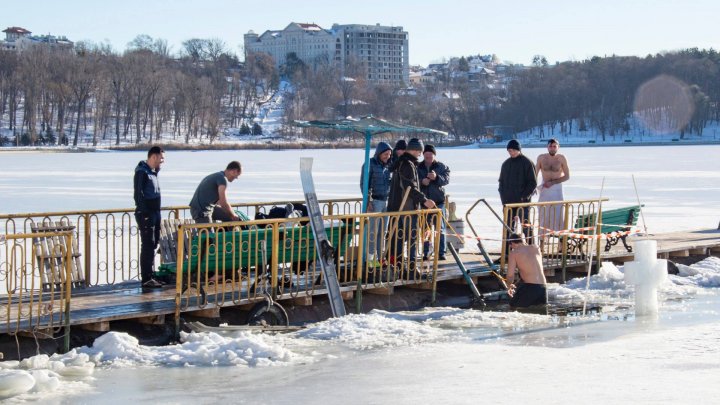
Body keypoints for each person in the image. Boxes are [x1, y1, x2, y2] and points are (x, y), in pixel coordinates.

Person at [386, 138, 436, 266]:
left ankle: (399, 265)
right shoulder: (407, 164)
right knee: (411, 237)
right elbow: (409, 187)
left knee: (399, 237)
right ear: (414, 150)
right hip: (407, 207)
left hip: (397, 207)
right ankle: (412, 267)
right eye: (419, 151)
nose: (420, 154)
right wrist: (424, 200)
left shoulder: (402, 162)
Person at [133, 146, 165, 291]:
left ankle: (151, 275)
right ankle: (146, 278)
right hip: (146, 214)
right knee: (147, 244)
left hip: (155, 213)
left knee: (153, 243)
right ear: (153, 157)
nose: (162, 162)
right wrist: (145, 213)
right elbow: (138, 194)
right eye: (161, 158)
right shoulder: (142, 172)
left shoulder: (153, 172)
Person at [498, 139, 537, 252]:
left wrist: (523, 197)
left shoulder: (527, 162)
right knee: (508, 228)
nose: (512, 152)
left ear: (519, 149)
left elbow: (532, 183)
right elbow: (501, 183)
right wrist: (503, 200)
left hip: (522, 202)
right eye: (510, 150)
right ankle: (506, 253)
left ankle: (531, 250)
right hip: (508, 202)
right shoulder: (506, 164)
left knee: (526, 226)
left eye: (514, 150)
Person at [360, 142, 392, 266]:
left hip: (386, 201)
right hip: (375, 201)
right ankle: (370, 258)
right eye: (385, 154)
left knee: (383, 231)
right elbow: (364, 184)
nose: (387, 157)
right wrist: (367, 201)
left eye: (389, 154)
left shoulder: (388, 166)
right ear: (379, 153)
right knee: (373, 230)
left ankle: (380, 257)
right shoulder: (370, 164)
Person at [417, 144, 450, 261]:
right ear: (423, 155)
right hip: (424, 202)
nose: (428, 157)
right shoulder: (418, 167)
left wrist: (436, 177)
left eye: (431, 155)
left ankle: (441, 252)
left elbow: (446, 179)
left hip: (438, 202)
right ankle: (426, 252)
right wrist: (422, 182)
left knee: (439, 228)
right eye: (426, 155)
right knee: (425, 229)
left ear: (434, 155)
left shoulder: (441, 166)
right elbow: (414, 183)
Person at [535, 138, 570, 247]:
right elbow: (534, 174)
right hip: (545, 188)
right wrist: (532, 187)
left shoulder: (561, 158)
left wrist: (553, 182)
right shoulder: (541, 158)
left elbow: (567, 176)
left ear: (558, 147)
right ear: (547, 147)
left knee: (558, 215)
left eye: (554, 146)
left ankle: (561, 243)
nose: (552, 148)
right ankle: (542, 243)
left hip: (557, 189)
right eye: (550, 146)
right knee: (543, 215)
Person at [506, 233, 547, 308]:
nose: (511, 247)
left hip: (531, 287)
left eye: (510, 245)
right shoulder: (536, 248)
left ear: (512, 243)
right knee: (541, 312)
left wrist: (509, 286)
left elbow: (510, 275)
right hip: (543, 287)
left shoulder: (514, 253)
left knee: (513, 307)